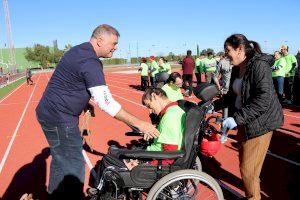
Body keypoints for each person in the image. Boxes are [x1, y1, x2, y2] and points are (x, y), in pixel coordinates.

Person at [35, 24, 159, 197]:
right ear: (100, 41)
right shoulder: (90, 62)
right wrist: (140, 124)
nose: (116, 48)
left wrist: (84, 101)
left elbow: (69, 81)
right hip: (60, 118)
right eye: (113, 43)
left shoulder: (79, 50)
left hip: (49, 112)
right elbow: (107, 103)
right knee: (73, 167)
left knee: (60, 159)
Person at [216, 34, 284, 200]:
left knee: (248, 170)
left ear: (240, 49)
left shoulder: (259, 66)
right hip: (245, 121)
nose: (226, 56)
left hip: (261, 123)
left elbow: (263, 100)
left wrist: (236, 119)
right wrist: (213, 106)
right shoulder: (237, 67)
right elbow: (232, 95)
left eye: (228, 51)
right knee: (247, 168)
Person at [100, 87, 186, 171]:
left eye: (149, 105)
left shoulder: (170, 117)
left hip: (154, 159)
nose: (150, 111)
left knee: (108, 159)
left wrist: (143, 165)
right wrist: (152, 135)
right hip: (151, 154)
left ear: (154, 96)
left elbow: (170, 156)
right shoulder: (173, 111)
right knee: (113, 150)